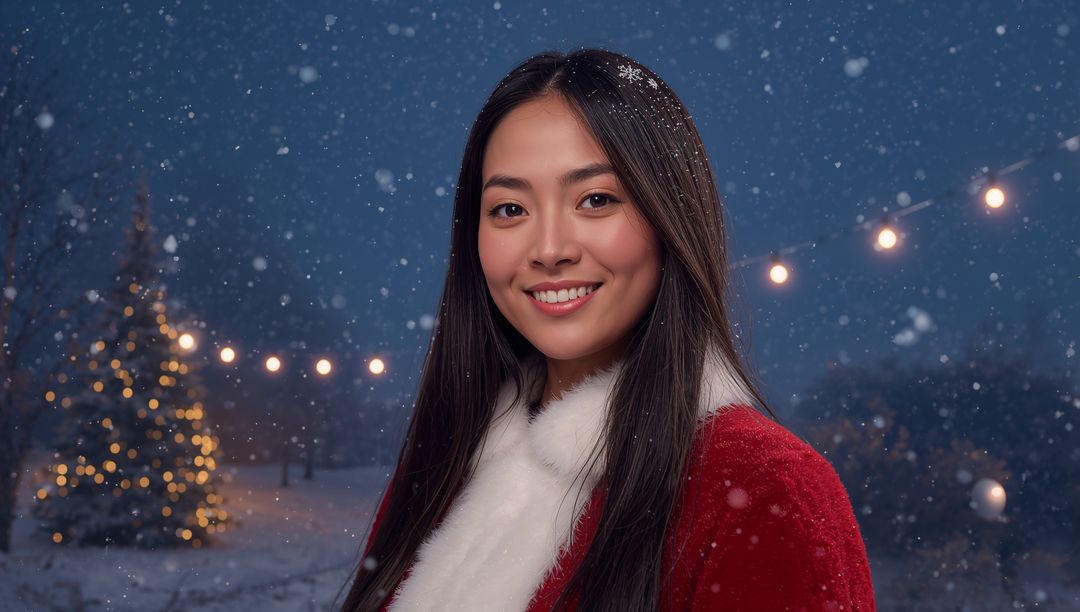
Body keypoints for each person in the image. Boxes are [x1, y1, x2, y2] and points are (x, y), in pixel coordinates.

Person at [339, 47, 876, 612]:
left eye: (595, 200)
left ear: (670, 217)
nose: (549, 250)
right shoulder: (448, 462)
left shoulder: (765, 488)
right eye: (509, 209)